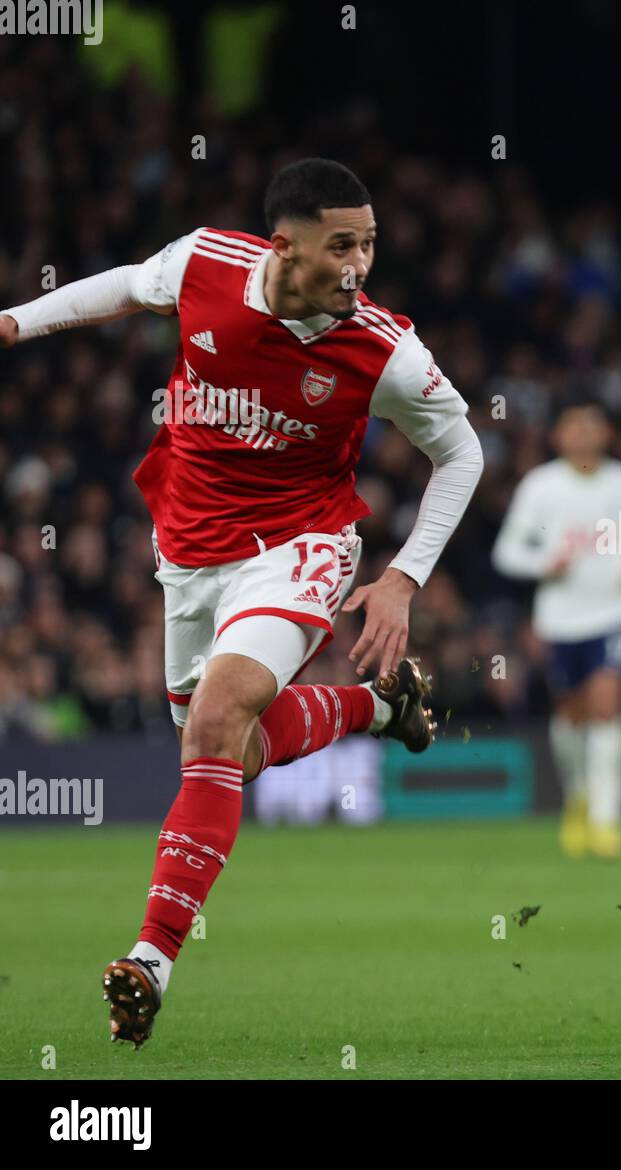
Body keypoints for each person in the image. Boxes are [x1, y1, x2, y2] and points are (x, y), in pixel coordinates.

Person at [0, 158, 485, 1047]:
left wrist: (404, 577)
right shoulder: (204, 265)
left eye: (370, 245)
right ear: (284, 247)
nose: (360, 266)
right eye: (342, 246)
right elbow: (123, 288)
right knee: (232, 747)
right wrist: (14, 321)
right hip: (188, 551)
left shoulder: (385, 347)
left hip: (301, 546)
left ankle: (151, 957)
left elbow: (463, 454)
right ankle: (376, 706)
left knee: (216, 720)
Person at [492, 398, 621, 859]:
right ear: (558, 435)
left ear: (606, 433)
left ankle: (607, 821)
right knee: (570, 717)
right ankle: (578, 798)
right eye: (574, 425)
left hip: (615, 613)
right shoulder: (541, 486)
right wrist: (546, 562)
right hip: (561, 618)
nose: (584, 434)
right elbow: (506, 552)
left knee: (607, 706)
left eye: (592, 425)